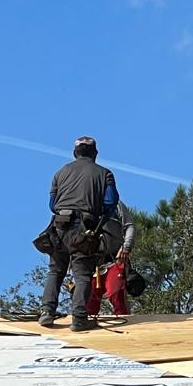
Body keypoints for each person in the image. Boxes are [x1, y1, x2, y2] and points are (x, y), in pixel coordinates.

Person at [38, 137, 119, 332]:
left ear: (75, 153)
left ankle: (47, 312)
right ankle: (79, 319)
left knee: (55, 270)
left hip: (58, 227)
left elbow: (52, 205)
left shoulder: (60, 173)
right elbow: (110, 203)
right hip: (83, 228)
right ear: (95, 153)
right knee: (82, 274)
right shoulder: (105, 174)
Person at [86, 200, 136, 318]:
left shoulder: (114, 203)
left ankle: (125, 328)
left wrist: (126, 246)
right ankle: (87, 329)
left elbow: (129, 226)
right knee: (88, 302)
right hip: (92, 265)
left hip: (114, 260)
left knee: (117, 296)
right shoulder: (83, 202)